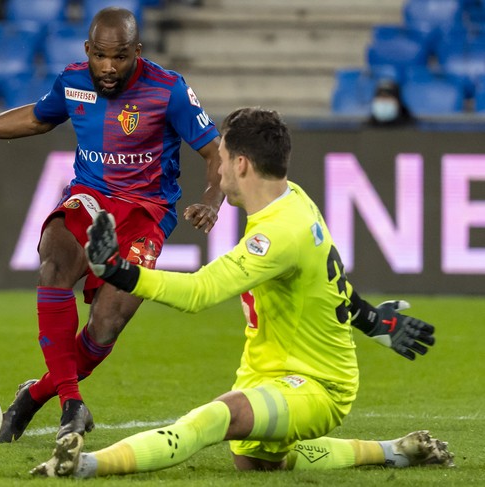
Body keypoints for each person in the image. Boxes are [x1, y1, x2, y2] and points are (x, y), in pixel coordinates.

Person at [31, 107, 452, 478]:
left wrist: (120, 272)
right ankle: (393, 450)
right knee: (256, 462)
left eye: (224, 160)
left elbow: (201, 290)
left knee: (219, 415)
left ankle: (86, 464)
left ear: (243, 165)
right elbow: (330, 284)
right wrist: (374, 320)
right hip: (265, 369)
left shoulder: (278, 234)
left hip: (316, 385)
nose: (218, 170)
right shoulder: (293, 200)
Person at [0, 7, 225, 441]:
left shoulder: (168, 89)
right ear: (87, 51)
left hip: (146, 214)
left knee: (105, 327)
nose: (109, 68)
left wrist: (212, 199)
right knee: (53, 265)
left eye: (120, 57)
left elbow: (215, 153)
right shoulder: (74, 81)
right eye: (100, 56)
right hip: (90, 198)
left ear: (137, 51)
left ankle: (34, 396)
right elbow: (36, 118)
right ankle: (71, 405)